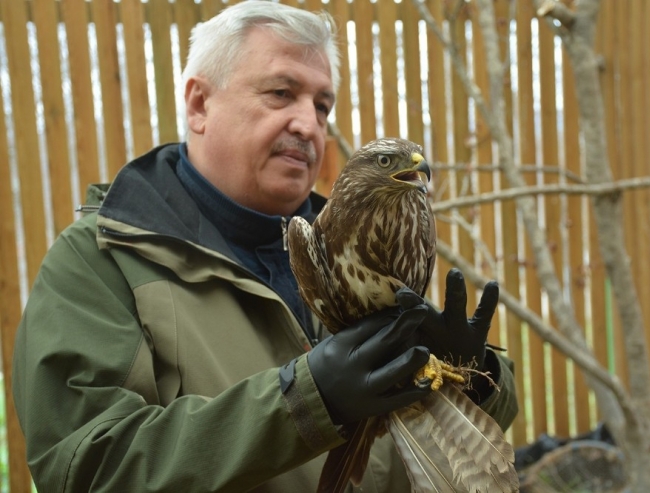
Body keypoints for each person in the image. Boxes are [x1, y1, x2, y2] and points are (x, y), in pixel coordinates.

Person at [12, 1, 518, 491]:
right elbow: (89, 468)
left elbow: (451, 433)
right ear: (199, 104)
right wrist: (303, 404)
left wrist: (472, 378)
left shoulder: (357, 238)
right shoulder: (101, 259)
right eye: (281, 93)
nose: (308, 123)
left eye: (322, 106)